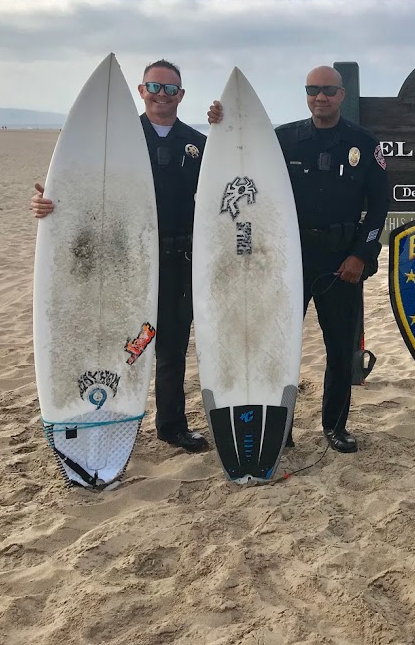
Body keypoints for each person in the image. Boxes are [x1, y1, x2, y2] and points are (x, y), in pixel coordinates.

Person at [207, 65, 388, 454]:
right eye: (312, 90)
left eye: (327, 90)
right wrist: (222, 125)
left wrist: (361, 254)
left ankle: (335, 426)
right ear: (306, 94)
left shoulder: (364, 143)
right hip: (288, 260)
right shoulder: (282, 140)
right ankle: (281, 425)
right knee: (277, 346)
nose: (319, 97)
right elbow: (241, 166)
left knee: (340, 348)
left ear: (341, 95)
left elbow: (378, 209)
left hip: (342, 262)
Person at [31, 60, 209, 453]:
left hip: (179, 261)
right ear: (141, 91)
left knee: (172, 346)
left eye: (170, 88)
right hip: (126, 262)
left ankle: (171, 426)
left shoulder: (199, 146)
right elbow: (84, 190)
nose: (162, 95)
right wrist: (50, 204)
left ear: (181, 95)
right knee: (121, 340)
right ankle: (105, 414)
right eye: (154, 87)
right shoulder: (116, 142)